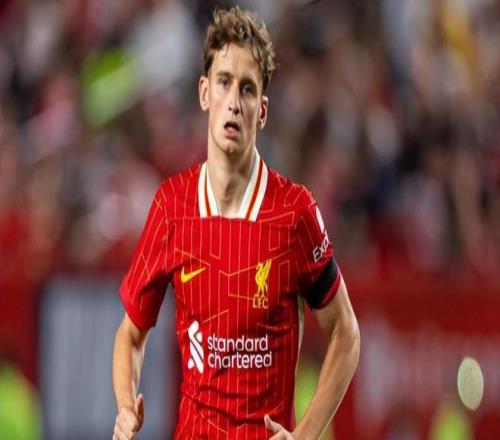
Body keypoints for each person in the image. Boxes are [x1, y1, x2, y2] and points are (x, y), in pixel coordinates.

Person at [112, 6, 360, 439]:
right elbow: (131, 334)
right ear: (204, 93)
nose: (233, 101)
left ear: (261, 111)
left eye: (247, 89)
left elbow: (346, 332)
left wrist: (305, 434)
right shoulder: (172, 206)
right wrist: (125, 407)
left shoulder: (294, 213)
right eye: (224, 82)